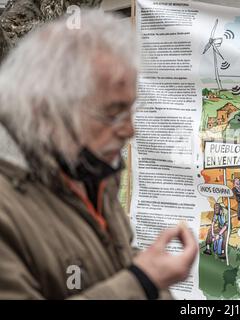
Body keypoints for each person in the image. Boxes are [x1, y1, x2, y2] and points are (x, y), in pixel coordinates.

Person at [0, 10, 197, 299]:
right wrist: (142, 281)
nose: (130, 130)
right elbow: (131, 280)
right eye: (113, 114)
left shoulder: (89, 172)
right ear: (48, 110)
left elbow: (113, 263)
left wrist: (152, 272)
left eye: (130, 109)